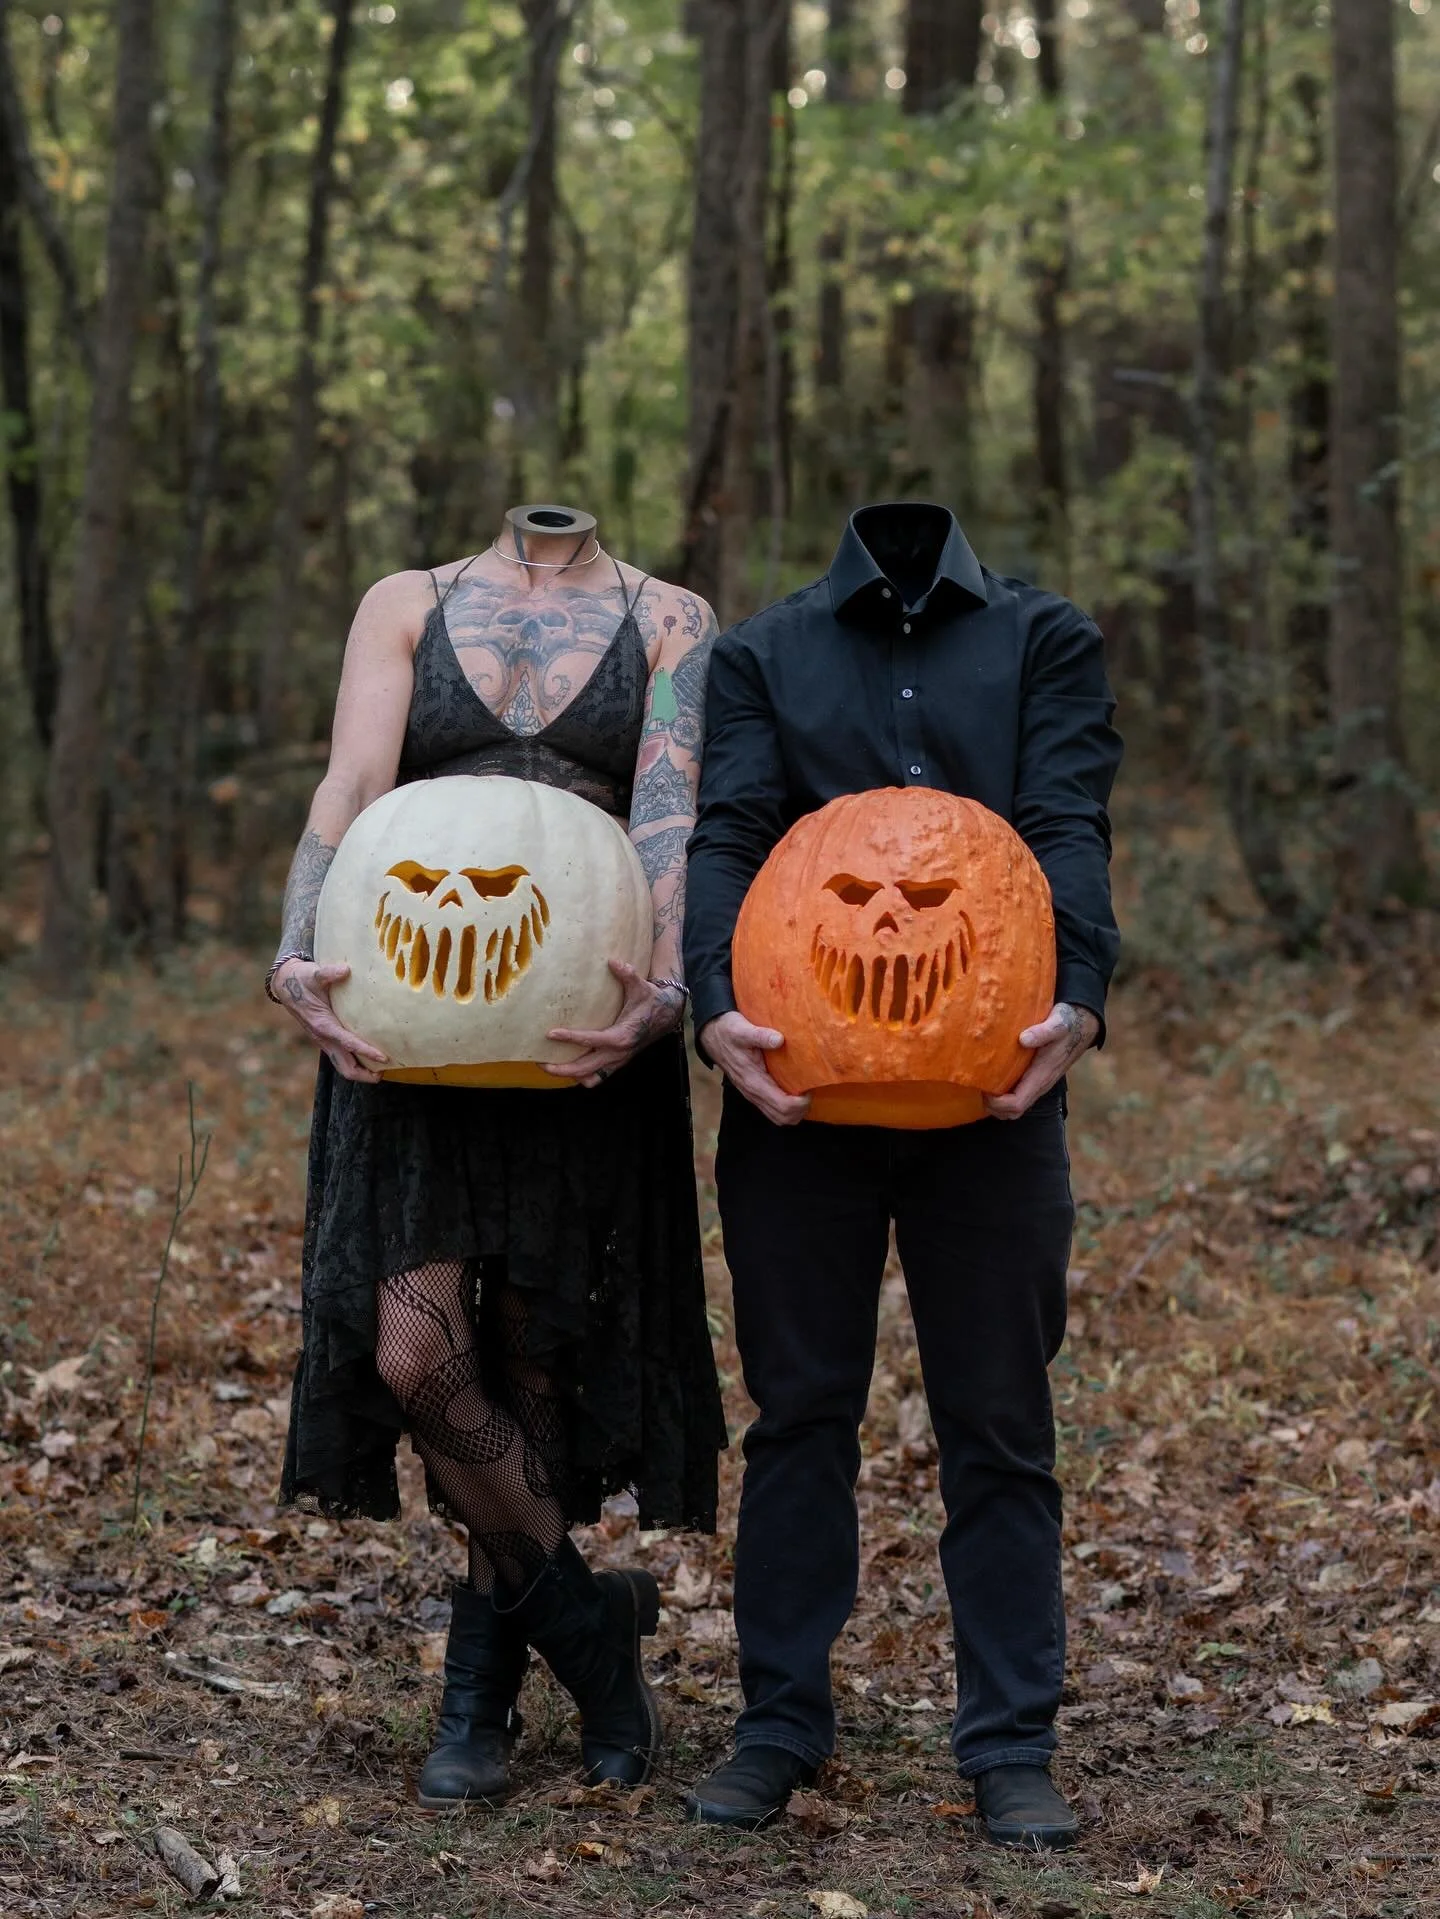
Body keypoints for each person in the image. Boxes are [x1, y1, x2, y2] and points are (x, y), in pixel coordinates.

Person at [269, 504, 727, 1809]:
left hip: (583, 1017)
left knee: (534, 1352)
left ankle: (478, 1689)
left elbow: (668, 814)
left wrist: (666, 990)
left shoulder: (672, 619)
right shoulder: (404, 602)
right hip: (409, 1014)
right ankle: (593, 1634)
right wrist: (298, 944)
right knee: (421, 1351)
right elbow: (351, 787)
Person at [681, 501, 1122, 1849]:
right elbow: (731, 832)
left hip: (993, 1093)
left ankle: (1008, 1743)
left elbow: (1063, 819)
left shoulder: (1046, 638)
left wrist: (1083, 994)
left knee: (1000, 1422)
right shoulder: (766, 652)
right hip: (795, 1094)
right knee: (799, 1413)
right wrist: (712, 1002)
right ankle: (778, 1724)